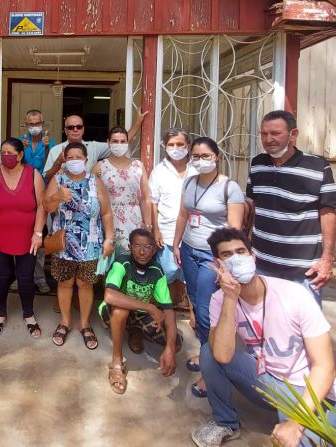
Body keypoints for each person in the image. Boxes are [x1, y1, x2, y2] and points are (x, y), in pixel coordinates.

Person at [191, 227, 336, 447]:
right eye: (227, 255)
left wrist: (297, 422)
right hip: (266, 381)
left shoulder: (295, 294)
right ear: (218, 264)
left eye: (241, 251)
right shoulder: (220, 299)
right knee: (209, 351)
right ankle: (225, 423)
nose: (237, 258)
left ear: (253, 256)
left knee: (304, 442)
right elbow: (221, 356)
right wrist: (231, 299)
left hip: (310, 390)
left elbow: (325, 368)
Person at [172, 137, 244, 398]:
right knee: (197, 304)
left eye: (206, 155)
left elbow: (234, 231)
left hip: (211, 258)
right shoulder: (190, 182)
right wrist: (176, 244)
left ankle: (212, 370)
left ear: (217, 157)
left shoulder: (229, 188)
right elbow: (183, 214)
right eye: (196, 156)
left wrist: (225, 263)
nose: (200, 160)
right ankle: (206, 351)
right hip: (189, 250)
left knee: (205, 312)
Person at [247, 110, 336, 305]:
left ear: (293, 134)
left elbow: (328, 213)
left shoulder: (317, 166)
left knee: (306, 331)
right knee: (267, 327)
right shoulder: (257, 165)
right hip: (262, 265)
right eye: (264, 134)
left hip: (304, 270)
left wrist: (327, 259)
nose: (268, 139)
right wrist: (248, 244)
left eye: (275, 133)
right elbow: (255, 207)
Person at [44, 142, 116, 349]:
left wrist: (109, 239)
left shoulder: (95, 182)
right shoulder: (58, 179)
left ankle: (85, 324)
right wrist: (57, 196)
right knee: (65, 283)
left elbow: (106, 213)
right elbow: (46, 205)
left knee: (85, 284)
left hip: (90, 244)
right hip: (63, 244)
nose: (74, 160)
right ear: (65, 160)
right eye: (70, 157)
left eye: (79, 156)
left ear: (86, 160)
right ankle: (65, 321)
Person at [0, 137, 46, 338]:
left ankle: (29, 315)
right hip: (0, 237)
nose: (6, 157)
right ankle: (0, 314)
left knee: (25, 278)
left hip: (27, 239)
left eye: (10, 153)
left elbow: (42, 206)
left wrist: (38, 233)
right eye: (3, 153)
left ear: (20, 155)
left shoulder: (33, 175)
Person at [97, 229, 180, 394]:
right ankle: (117, 363)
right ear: (130, 247)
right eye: (137, 246)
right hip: (113, 313)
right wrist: (150, 307)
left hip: (140, 315)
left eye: (148, 247)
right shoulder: (122, 263)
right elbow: (110, 295)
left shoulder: (157, 271)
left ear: (154, 249)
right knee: (121, 310)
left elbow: (169, 311)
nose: (142, 251)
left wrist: (170, 348)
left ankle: (135, 332)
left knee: (175, 343)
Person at [147, 127, 197, 353]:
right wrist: (154, 229)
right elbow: (153, 203)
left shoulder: (198, 168)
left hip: (195, 236)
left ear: (188, 145)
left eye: (180, 144)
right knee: (165, 276)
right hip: (166, 235)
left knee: (190, 281)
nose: (176, 149)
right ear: (164, 147)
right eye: (171, 145)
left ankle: (196, 321)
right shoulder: (159, 171)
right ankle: (163, 319)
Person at [91, 126, 152, 256]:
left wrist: (148, 226)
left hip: (134, 220)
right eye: (115, 141)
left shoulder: (138, 166)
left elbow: (145, 198)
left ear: (127, 142)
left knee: (132, 260)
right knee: (109, 263)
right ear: (108, 142)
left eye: (123, 141)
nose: (119, 144)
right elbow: (90, 196)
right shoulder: (99, 167)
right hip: (108, 220)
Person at [43, 109, 146, 184]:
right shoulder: (55, 150)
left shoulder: (93, 147)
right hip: (63, 198)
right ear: (65, 130)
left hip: (89, 200)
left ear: (83, 129)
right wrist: (58, 162)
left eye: (79, 127)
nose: (75, 130)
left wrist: (138, 123)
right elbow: (47, 179)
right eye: (71, 127)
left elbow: (119, 143)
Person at [21, 109, 55, 294]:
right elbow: (15, 166)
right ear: (26, 125)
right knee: (22, 237)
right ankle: (21, 276)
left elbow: (53, 167)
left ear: (43, 124)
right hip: (24, 196)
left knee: (40, 236)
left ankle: (40, 278)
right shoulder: (21, 142)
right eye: (31, 124)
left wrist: (48, 147)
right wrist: (21, 150)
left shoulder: (50, 142)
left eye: (38, 123)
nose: (35, 127)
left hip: (43, 195)